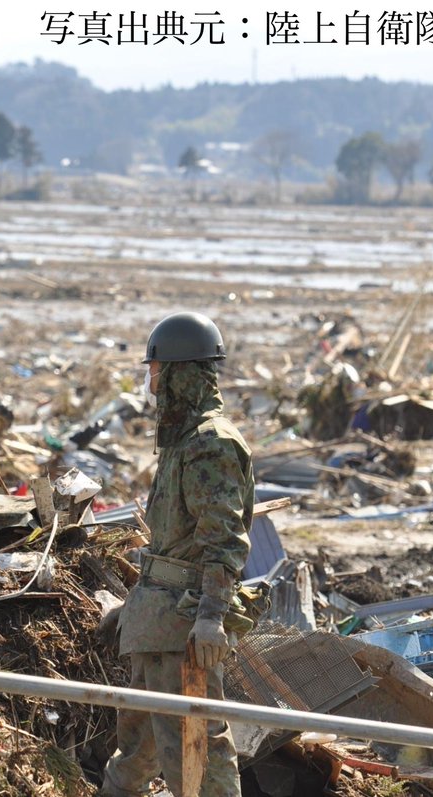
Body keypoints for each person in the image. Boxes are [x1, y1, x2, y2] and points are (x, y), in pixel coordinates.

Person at [99, 311, 254, 797]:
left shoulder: (211, 444)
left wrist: (211, 616)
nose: (151, 384)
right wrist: (134, 606)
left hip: (183, 630)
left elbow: (223, 539)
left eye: (157, 372)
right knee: (136, 754)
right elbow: (173, 542)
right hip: (156, 621)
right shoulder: (183, 443)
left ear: (182, 374)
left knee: (196, 756)